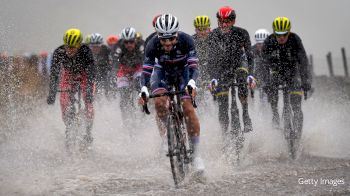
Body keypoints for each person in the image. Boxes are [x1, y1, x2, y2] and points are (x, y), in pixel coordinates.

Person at [139, 13, 204, 172]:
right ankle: (168, 138)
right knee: (160, 103)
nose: (167, 43)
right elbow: (146, 71)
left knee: (188, 108)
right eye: (163, 39)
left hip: (184, 73)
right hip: (163, 73)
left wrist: (192, 82)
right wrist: (144, 89)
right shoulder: (152, 44)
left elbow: (194, 67)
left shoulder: (187, 40)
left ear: (177, 35)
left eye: (171, 39)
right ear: (158, 36)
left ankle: (196, 155)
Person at [207, 6, 256, 138]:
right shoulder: (213, 35)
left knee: (241, 78)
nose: (224, 24)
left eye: (227, 21)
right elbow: (211, 59)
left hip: (239, 64)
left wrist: (251, 75)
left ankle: (245, 112)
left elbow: (250, 56)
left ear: (233, 21)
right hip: (221, 67)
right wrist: (213, 78)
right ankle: (224, 132)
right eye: (221, 21)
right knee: (222, 101)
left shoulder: (242, 33)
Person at [261, 17, 311, 136]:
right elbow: (263, 65)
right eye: (278, 34)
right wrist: (265, 82)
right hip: (277, 72)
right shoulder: (269, 41)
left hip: (292, 72)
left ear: (289, 31)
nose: (281, 37)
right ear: (274, 32)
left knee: (296, 104)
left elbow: (303, 61)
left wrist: (305, 81)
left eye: (284, 34)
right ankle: (275, 113)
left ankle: (298, 133)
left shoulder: (295, 39)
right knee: (271, 88)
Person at [47, 28, 95, 146]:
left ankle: (88, 132)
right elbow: (54, 74)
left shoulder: (85, 51)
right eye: (68, 46)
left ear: (79, 45)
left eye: (73, 47)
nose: (69, 50)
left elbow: (91, 72)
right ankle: (69, 126)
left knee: (88, 102)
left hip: (84, 74)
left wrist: (88, 90)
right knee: (64, 101)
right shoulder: (59, 52)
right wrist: (52, 93)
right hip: (68, 74)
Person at [112, 27, 144, 130]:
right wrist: (115, 74)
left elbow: (145, 60)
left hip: (137, 67)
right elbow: (115, 62)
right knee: (123, 95)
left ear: (135, 40)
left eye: (131, 42)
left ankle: (143, 109)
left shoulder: (141, 45)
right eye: (126, 42)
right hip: (124, 69)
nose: (129, 44)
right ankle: (126, 119)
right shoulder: (119, 47)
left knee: (140, 83)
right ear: (123, 42)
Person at [192, 15, 212, 101]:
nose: (202, 32)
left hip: (211, 70)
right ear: (195, 30)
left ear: (209, 28)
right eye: (200, 30)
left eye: (205, 29)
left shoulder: (215, 38)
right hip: (198, 70)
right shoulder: (191, 40)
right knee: (198, 95)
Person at [89, 33, 112, 99]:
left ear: (101, 45)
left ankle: (109, 97)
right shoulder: (88, 51)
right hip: (93, 72)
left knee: (109, 79)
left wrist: (109, 66)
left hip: (105, 71)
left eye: (97, 46)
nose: (95, 48)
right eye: (93, 46)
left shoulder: (107, 50)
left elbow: (112, 63)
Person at [252, 29, 270, 101]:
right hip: (258, 76)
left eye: (263, 44)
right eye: (259, 44)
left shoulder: (273, 49)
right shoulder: (252, 50)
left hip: (269, 76)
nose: (261, 46)